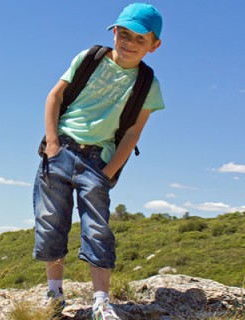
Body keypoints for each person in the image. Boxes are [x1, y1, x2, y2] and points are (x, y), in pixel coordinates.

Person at [33, 3, 165, 319]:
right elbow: (55, 97)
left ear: (154, 45)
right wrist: (52, 145)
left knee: (97, 229)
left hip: (98, 161)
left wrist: (108, 171)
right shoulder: (88, 59)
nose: (129, 43)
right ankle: (54, 294)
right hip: (60, 151)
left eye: (139, 38)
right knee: (51, 222)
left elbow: (133, 133)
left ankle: (101, 302)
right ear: (114, 31)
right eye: (124, 33)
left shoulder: (148, 84)